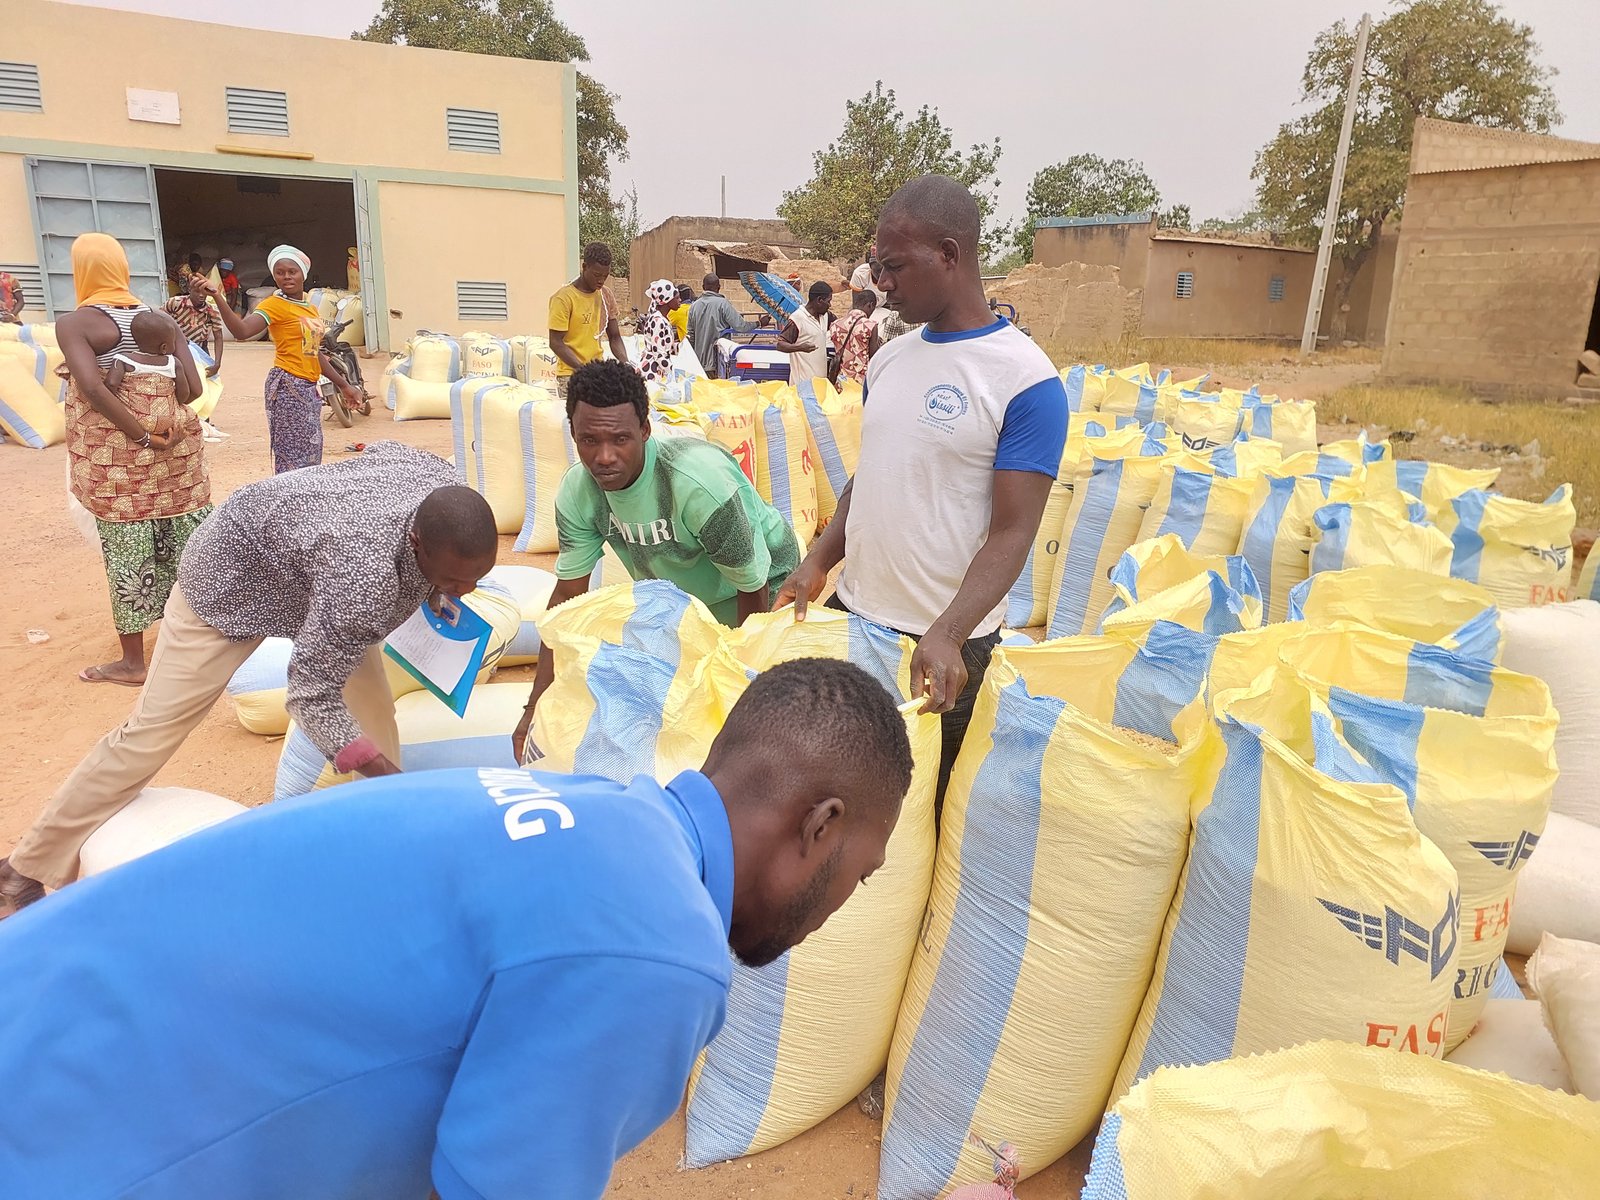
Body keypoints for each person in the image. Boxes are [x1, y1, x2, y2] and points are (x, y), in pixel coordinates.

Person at [0, 657, 910, 1199]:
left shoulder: (586, 807)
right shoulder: (658, 952)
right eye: (861, 875)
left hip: (42, 1000)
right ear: (820, 826)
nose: (846, 904)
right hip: (71, 1134)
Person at [0, 444, 498, 915]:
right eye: (454, 580)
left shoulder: (439, 481)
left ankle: (394, 841)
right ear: (416, 542)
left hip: (311, 571)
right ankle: (21, 868)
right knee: (150, 733)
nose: (466, 590)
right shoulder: (361, 581)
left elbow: (388, 449)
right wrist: (381, 771)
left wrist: (439, 591)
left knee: (376, 715)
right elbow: (311, 693)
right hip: (228, 579)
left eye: (476, 577)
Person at [775, 175, 1068, 801]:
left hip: (942, 645)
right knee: (831, 795)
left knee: (923, 811)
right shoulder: (889, 360)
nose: (882, 282)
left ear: (951, 254)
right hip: (855, 617)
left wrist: (950, 632)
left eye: (896, 265)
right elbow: (871, 477)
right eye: (879, 266)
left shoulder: (1024, 381)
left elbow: (1014, 532)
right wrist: (818, 560)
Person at [512, 358, 802, 755]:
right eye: (589, 441)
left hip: (767, 584)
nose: (604, 457)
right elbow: (566, 601)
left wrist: (739, 697)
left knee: (750, 724)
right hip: (687, 599)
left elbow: (752, 591)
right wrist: (534, 708)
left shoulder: (696, 484)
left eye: (620, 439)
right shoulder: (579, 493)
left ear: (645, 431)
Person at [55, 234, 210, 691]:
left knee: (127, 549)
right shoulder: (158, 320)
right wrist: (161, 419)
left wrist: (142, 436)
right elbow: (194, 390)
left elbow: (93, 388)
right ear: (122, 269)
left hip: (119, 461)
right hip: (178, 456)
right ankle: (203, 648)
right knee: (188, 542)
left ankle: (132, 662)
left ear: (81, 270)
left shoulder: (75, 323)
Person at [207, 245, 360, 473]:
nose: (286, 277)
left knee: (310, 454)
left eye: (292, 271)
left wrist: (344, 385)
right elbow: (241, 332)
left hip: (307, 389)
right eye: (280, 272)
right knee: (292, 458)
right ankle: (290, 505)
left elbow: (313, 353)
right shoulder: (274, 305)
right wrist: (217, 297)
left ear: (303, 274)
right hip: (288, 387)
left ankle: (303, 504)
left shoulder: (309, 308)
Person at [549, 242, 629, 401]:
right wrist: (583, 370)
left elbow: (614, 336)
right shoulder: (564, 298)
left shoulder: (605, 296)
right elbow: (555, 342)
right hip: (571, 375)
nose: (601, 281)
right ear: (584, 267)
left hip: (597, 373)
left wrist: (625, 364)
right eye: (597, 275)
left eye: (605, 277)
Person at [687, 273, 769, 378]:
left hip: (699, 365)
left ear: (703, 287)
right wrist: (759, 323)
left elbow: (690, 336)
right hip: (718, 363)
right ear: (719, 287)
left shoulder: (694, 306)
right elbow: (741, 326)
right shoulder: (723, 304)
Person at [163, 273, 224, 378]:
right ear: (189, 290)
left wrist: (217, 363)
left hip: (199, 349)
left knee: (204, 379)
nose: (201, 295)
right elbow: (160, 321)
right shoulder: (175, 303)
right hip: (176, 347)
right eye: (197, 291)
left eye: (204, 291)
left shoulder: (211, 311)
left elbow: (218, 337)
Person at [775, 281, 834, 386]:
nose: (830, 305)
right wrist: (800, 347)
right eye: (828, 301)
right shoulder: (798, 318)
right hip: (802, 385)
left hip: (820, 384)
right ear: (819, 300)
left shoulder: (826, 316)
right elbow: (780, 344)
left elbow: (840, 325)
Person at [827, 290, 881, 387]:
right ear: (870, 305)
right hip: (861, 379)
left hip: (841, 379)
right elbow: (874, 356)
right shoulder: (870, 325)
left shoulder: (835, 324)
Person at [637, 278, 682, 384]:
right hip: (653, 371)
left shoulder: (663, 319)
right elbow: (658, 353)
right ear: (666, 300)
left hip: (659, 368)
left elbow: (665, 346)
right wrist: (672, 373)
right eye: (677, 298)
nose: (680, 300)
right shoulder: (657, 321)